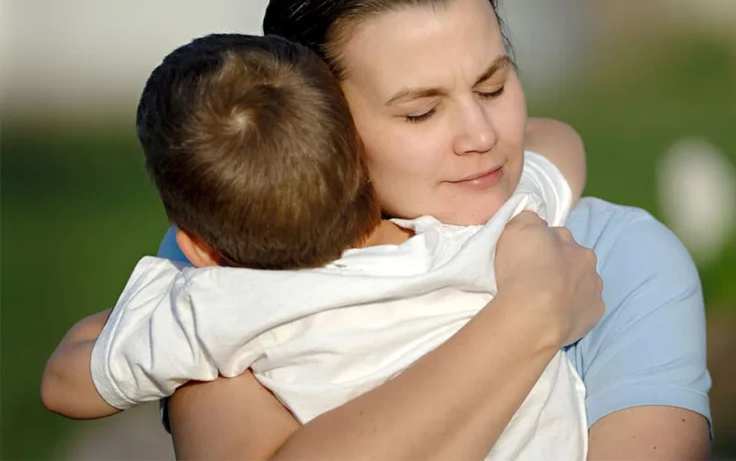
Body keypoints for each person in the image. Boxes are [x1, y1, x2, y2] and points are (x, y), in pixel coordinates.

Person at [59, 0, 712, 461]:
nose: (482, 135)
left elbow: (72, 376)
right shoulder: (243, 273)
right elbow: (558, 146)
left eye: (492, 85)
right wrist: (529, 317)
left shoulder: (613, 253)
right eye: (420, 112)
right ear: (323, 127)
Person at [42, 32, 590, 460]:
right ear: (363, 158)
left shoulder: (216, 306)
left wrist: (172, 286)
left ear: (199, 247)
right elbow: (560, 144)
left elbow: (63, 383)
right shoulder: (485, 235)